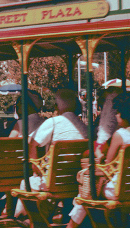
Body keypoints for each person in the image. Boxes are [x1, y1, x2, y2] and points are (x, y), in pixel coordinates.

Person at [67, 96, 130, 228]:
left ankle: (71, 226)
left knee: (86, 192)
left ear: (124, 115)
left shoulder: (121, 135)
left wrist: (99, 155)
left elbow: (107, 165)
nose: (116, 115)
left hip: (120, 189)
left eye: (118, 113)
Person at [14, 89, 88, 220]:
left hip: (54, 180)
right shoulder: (83, 126)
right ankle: (40, 216)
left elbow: (32, 143)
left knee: (26, 182)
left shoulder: (54, 122)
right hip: (75, 180)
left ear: (58, 106)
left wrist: (35, 167)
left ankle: (24, 217)